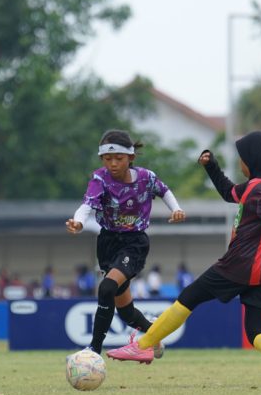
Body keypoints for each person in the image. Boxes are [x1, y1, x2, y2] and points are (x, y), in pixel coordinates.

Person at [108, 130, 261, 388]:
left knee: (189, 297)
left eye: (242, 158)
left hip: (241, 265)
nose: (240, 163)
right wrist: (212, 166)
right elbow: (228, 193)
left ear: (254, 159)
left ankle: (143, 346)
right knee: (257, 331)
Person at [65, 129, 186, 355]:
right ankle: (154, 337)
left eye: (118, 159)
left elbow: (164, 191)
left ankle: (94, 350)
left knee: (107, 287)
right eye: (107, 159)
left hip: (134, 243)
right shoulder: (100, 178)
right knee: (126, 311)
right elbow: (87, 205)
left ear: (130, 158)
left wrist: (177, 209)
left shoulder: (145, 177)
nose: (112, 164)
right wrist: (79, 222)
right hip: (107, 242)